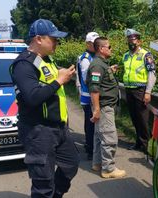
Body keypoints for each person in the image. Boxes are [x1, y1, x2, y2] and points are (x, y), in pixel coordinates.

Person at [9, 19, 79, 198]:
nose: (57, 42)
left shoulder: (47, 60)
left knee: (71, 164)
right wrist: (59, 81)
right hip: (38, 131)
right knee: (43, 183)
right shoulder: (23, 64)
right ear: (38, 39)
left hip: (59, 128)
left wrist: (63, 76)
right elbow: (32, 97)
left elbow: (48, 84)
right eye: (53, 38)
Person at [87, 36, 126, 178]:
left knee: (99, 136)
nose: (111, 49)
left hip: (103, 106)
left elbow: (100, 80)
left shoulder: (102, 64)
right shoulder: (97, 65)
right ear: (101, 49)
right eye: (109, 47)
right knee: (109, 137)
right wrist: (97, 109)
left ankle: (97, 163)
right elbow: (94, 89)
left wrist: (110, 70)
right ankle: (108, 169)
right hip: (104, 107)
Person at [122, 29, 156, 152]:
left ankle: (147, 146)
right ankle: (139, 142)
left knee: (143, 119)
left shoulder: (146, 55)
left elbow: (152, 74)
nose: (131, 42)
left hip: (140, 91)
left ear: (139, 41)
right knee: (134, 118)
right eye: (129, 40)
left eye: (133, 40)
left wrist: (148, 92)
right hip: (129, 90)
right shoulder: (125, 56)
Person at [75, 32, 99, 160]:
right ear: (88, 44)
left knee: (90, 123)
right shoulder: (86, 59)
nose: (96, 45)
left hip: (91, 95)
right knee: (91, 124)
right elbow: (86, 78)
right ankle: (90, 150)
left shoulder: (93, 56)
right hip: (88, 96)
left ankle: (89, 146)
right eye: (93, 43)